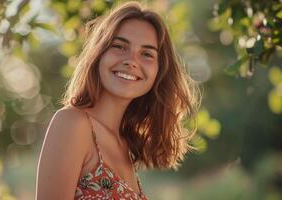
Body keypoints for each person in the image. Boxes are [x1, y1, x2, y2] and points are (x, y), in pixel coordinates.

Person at [36, 1, 200, 199]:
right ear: (99, 54)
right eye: (120, 46)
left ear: (159, 71)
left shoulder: (124, 144)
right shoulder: (72, 123)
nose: (131, 61)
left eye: (147, 54)